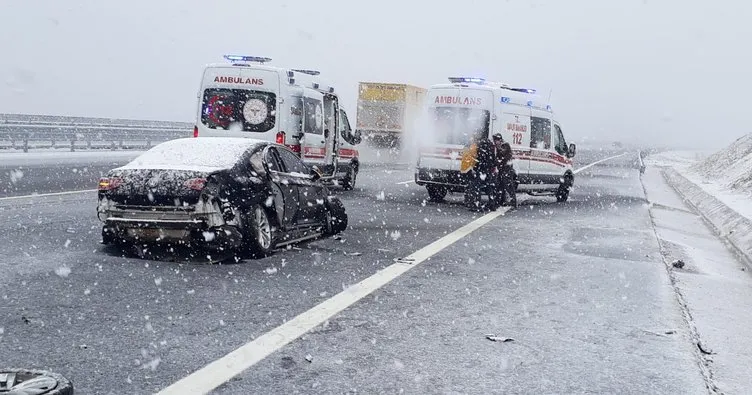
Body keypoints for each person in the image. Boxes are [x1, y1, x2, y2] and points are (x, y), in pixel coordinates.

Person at [465, 132, 497, 211]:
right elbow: (493, 157)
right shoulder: (490, 144)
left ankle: (476, 205)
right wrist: (491, 167)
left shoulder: (479, 145)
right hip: (488, 169)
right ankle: (492, 205)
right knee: (489, 188)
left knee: (476, 187)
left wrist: (474, 168)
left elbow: (477, 158)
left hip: (481, 169)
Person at [493, 133, 516, 207]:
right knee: (500, 185)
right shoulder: (499, 146)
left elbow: (505, 156)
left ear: (499, 140)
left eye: (496, 140)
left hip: (507, 169)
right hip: (502, 169)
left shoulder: (505, 145)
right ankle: (501, 201)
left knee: (509, 186)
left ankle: (513, 203)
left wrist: (498, 161)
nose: (495, 142)